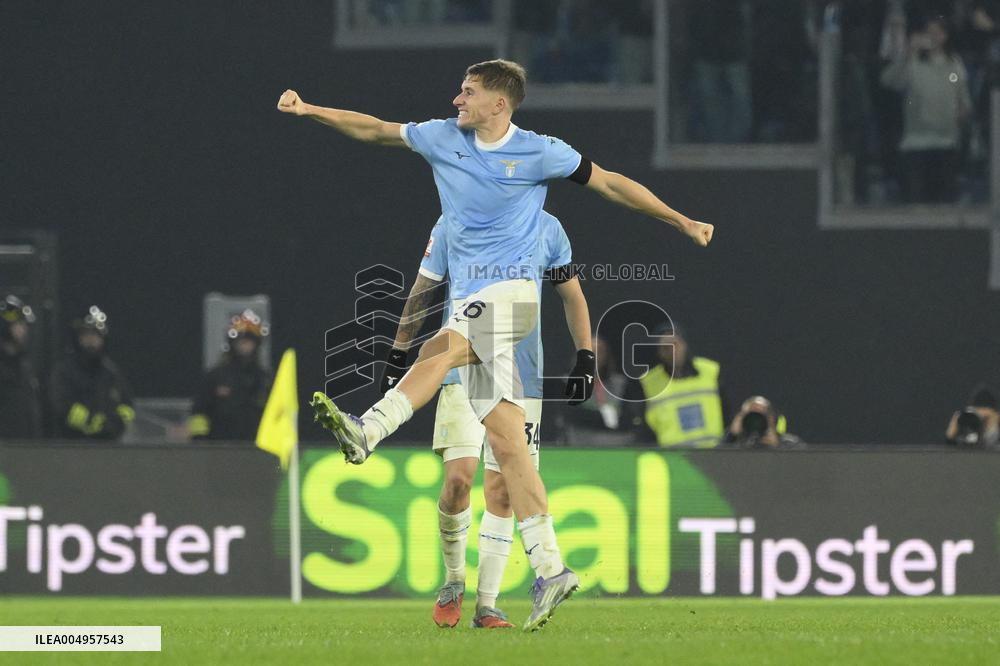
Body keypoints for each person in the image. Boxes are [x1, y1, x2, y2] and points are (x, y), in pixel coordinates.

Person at [278, 58, 712, 630]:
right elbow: (375, 128)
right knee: (510, 450)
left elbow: (608, 183)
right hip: (472, 308)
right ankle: (552, 570)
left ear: (498, 104)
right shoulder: (441, 138)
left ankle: (370, 429)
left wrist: (679, 220)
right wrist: (311, 111)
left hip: (512, 299)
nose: (457, 99)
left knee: (445, 349)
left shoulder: (540, 151)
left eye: (469, 91)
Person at [381, 211, 592, 629]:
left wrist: (585, 354)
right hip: (462, 366)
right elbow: (424, 288)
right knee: (459, 479)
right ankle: (454, 578)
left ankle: (487, 605)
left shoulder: (548, 227)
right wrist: (399, 351)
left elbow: (572, 295)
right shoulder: (453, 220)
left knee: (503, 490)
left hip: (525, 374)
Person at [881, 16, 972, 203]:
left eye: (937, 32)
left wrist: (962, 108)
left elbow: (958, 88)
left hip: (946, 143)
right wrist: (908, 52)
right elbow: (890, 81)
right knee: (917, 204)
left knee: (946, 203)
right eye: (928, 33)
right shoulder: (912, 64)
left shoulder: (953, 65)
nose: (932, 37)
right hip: (916, 144)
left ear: (945, 36)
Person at [627, 322, 728, 448]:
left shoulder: (710, 371)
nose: (672, 351)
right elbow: (643, 430)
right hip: (673, 459)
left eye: (675, 344)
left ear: (684, 344)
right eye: (666, 347)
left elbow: (727, 412)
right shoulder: (648, 383)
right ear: (659, 351)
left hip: (714, 455)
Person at [51, 306, 135, 441]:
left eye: (95, 335)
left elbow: (127, 406)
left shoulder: (111, 373)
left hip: (108, 446)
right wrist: (90, 422)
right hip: (72, 447)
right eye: (86, 335)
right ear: (77, 338)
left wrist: (112, 424)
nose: (91, 340)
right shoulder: (64, 371)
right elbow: (61, 406)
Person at [189, 309, 272, 441]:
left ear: (257, 344)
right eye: (241, 339)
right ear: (232, 342)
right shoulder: (214, 377)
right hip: (219, 450)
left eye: (250, 340)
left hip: (255, 450)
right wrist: (199, 443)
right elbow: (199, 412)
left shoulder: (265, 379)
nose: (245, 344)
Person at [555, 333, 633, 446]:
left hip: (618, 446)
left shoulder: (621, 384)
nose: (594, 356)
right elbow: (572, 415)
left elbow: (630, 418)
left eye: (599, 351)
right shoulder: (566, 383)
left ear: (607, 356)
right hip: (579, 446)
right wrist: (605, 417)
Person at [0, 295, 42, 440]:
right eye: (19, 324)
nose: (24, 330)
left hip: (24, 452)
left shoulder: (25, 366)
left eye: (24, 325)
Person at [721, 395, 805, 450]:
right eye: (751, 416)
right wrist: (732, 436)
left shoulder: (790, 443)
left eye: (760, 415)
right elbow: (715, 461)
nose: (755, 421)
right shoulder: (733, 442)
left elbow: (801, 465)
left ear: (771, 418)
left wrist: (777, 446)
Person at [945, 384, 1000, 448]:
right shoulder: (968, 421)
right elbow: (950, 445)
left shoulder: (997, 421)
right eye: (977, 410)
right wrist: (955, 425)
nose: (982, 415)